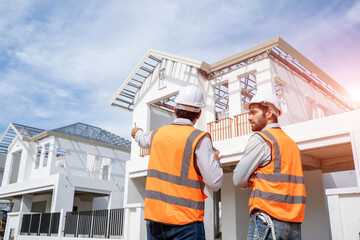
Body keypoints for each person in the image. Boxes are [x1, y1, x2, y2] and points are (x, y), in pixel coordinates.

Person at [131, 85, 223, 240]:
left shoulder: (158, 134)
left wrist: (136, 132)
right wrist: (215, 161)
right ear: (199, 114)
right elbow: (214, 183)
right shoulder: (199, 139)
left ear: (175, 110)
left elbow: (142, 139)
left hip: (155, 221)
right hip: (186, 222)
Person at [233, 91, 306, 240]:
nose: (249, 118)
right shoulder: (292, 144)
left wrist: (253, 178)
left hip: (267, 219)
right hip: (294, 223)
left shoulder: (262, 139)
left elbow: (238, 179)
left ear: (269, 113)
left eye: (253, 113)